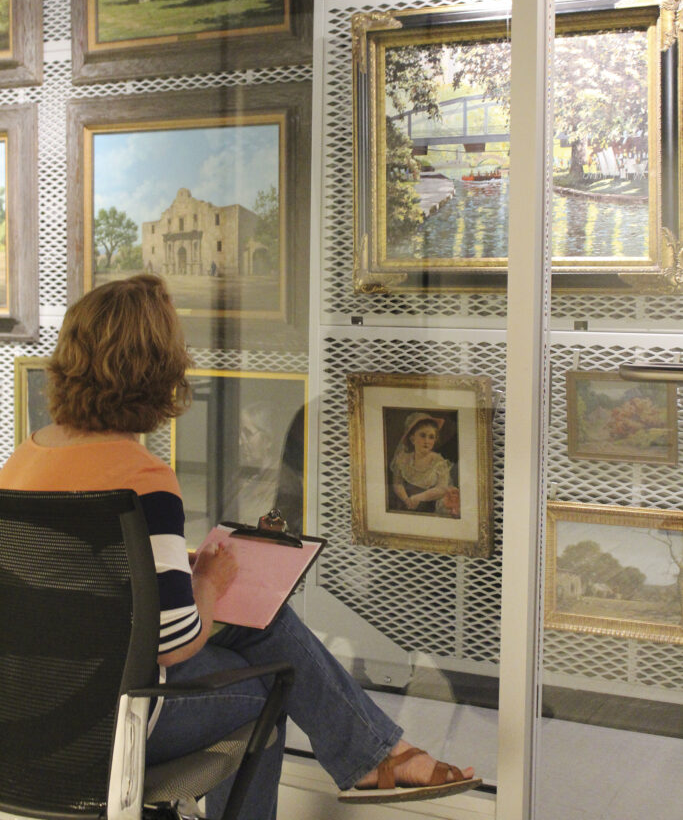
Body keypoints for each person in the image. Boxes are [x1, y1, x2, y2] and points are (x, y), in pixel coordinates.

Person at [0, 275, 479, 817]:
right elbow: (175, 641)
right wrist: (206, 582)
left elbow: (70, 587)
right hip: (108, 726)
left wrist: (175, 573)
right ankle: (375, 756)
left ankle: (377, 754)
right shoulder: (139, 477)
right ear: (157, 367)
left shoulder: (22, 461)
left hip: (24, 716)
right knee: (270, 687)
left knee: (259, 627)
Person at [390, 412, 461, 517]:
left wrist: (417, 498)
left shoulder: (439, 462)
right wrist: (406, 499)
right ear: (413, 439)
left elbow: (442, 489)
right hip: (405, 505)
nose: (427, 441)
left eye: (431, 437)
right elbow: (397, 483)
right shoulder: (403, 459)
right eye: (422, 435)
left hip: (430, 510)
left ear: (435, 440)